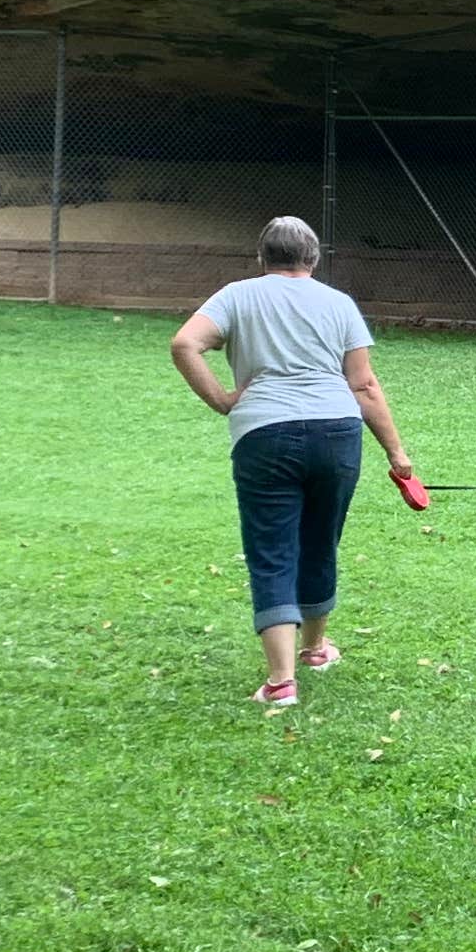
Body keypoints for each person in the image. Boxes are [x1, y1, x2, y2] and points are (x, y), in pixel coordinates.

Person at [168, 216, 421, 710]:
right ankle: (315, 649)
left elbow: (184, 344)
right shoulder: (338, 303)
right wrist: (397, 453)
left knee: (272, 548)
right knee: (320, 540)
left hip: (264, 435)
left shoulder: (237, 295)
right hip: (337, 432)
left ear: (262, 258)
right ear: (313, 259)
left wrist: (223, 399)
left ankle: (281, 681)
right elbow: (364, 386)